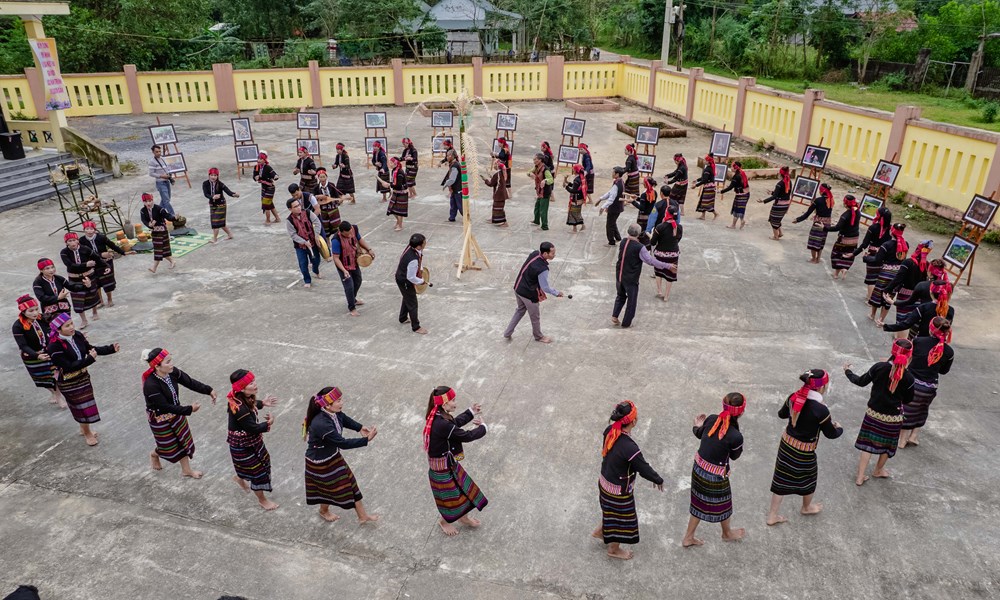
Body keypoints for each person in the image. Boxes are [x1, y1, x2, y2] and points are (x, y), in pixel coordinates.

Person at [766, 370, 843, 526]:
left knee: (781, 478)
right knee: (809, 478)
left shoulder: (793, 397)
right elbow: (831, 434)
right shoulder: (821, 410)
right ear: (822, 387)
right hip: (805, 451)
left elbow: (781, 414)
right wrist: (839, 428)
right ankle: (806, 507)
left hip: (786, 446)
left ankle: (772, 516)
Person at [592, 400, 663, 560]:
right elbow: (643, 467)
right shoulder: (629, 447)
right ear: (633, 421)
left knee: (610, 511)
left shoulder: (610, 431)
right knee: (620, 520)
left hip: (604, 482)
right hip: (618, 491)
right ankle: (613, 550)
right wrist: (657, 479)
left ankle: (600, 531)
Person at [303, 386, 379, 523]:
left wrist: (359, 427)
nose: (341, 403)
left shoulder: (333, 413)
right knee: (328, 489)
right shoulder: (322, 424)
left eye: (341, 399)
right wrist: (366, 440)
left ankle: (363, 516)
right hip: (320, 463)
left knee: (350, 483)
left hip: (333, 456)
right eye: (338, 401)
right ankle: (323, 511)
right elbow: (342, 443)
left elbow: (343, 418)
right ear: (327, 405)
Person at [846, 338, 915, 485]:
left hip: (873, 414)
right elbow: (908, 400)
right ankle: (878, 470)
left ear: (892, 351)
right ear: (909, 357)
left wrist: (848, 371)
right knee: (888, 446)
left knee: (867, 444)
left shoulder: (879, 367)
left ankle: (860, 476)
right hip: (893, 418)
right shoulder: (909, 378)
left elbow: (860, 381)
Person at [682, 392, 747, 547]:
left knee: (698, 502)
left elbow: (699, 433)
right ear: (741, 412)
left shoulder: (711, 419)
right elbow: (735, 456)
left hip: (698, 468)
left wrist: (697, 425)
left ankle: (688, 537)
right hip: (715, 475)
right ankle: (727, 533)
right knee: (724, 504)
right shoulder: (736, 436)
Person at [46, 313, 119, 446]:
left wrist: (110, 349)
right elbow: (68, 366)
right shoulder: (54, 346)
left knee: (85, 405)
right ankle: (87, 433)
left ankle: (83, 428)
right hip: (68, 382)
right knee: (81, 407)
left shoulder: (77, 335)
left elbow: (90, 349)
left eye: (72, 323)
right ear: (58, 330)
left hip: (83, 377)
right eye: (67, 326)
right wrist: (89, 360)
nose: (71, 327)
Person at [142, 348, 217, 479]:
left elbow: (189, 382)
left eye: (171, 360)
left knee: (182, 442)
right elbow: (164, 406)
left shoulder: (172, 372)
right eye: (167, 362)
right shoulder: (151, 385)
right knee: (168, 447)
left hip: (176, 412)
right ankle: (155, 454)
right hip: (160, 417)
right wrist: (189, 409)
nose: (171, 364)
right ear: (157, 366)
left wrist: (208, 390)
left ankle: (186, 470)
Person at [423, 386, 488, 536]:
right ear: (444, 403)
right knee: (451, 499)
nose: (455, 403)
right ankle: (444, 521)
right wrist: (483, 428)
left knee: (461, 492)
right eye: (452, 400)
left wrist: (471, 412)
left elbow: (454, 423)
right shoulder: (441, 423)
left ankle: (463, 518)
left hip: (447, 464)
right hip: (442, 470)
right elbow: (465, 436)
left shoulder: (439, 415)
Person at [226, 369, 279, 510]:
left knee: (255, 464)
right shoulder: (239, 408)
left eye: (253, 381)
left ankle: (239, 478)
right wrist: (268, 423)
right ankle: (262, 500)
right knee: (258, 472)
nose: (255, 385)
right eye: (250, 383)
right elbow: (252, 428)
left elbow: (252, 403)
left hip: (251, 441)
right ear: (241, 388)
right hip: (243, 445)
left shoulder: (242, 397)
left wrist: (263, 403)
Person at [898, 317, 954, 448]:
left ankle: (902, 440)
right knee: (922, 409)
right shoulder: (949, 351)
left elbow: (908, 358)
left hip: (912, 383)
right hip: (929, 387)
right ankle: (913, 436)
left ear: (931, 329)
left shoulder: (918, 341)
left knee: (907, 409)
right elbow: (944, 371)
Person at [612, 224, 674, 328]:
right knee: (632, 301)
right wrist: (667, 266)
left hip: (620, 275)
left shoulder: (623, 242)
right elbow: (650, 261)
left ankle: (615, 315)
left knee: (620, 295)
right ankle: (626, 323)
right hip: (631, 277)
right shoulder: (639, 247)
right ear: (638, 233)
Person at [503, 242, 563, 343]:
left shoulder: (534, 254)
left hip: (518, 288)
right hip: (528, 294)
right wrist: (556, 293)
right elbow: (545, 287)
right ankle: (538, 336)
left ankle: (507, 333)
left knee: (520, 310)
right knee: (535, 317)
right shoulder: (543, 269)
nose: (554, 255)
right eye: (552, 253)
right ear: (545, 254)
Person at [12, 294, 63, 407]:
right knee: (42, 378)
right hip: (32, 356)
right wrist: (36, 355)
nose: (35, 313)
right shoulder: (17, 326)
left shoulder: (43, 318)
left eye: (36, 309)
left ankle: (58, 396)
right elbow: (23, 345)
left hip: (48, 351)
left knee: (55, 375)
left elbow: (59, 322)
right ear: (23, 312)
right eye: (31, 311)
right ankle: (53, 392)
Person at [883, 240, 932, 333]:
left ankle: (900, 338)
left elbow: (898, 278)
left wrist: (887, 289)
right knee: (912, 320)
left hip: (904, 295)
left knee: (902, 320)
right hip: (918, 297)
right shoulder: (927, 265)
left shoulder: (907, 262)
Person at [864, 223, 908, 326]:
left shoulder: (886, 245)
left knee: (878, 293)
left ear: (892, 232)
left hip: (885, 273)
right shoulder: (905, 244)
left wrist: (866, 258)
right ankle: (881, 320)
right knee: (889, 296)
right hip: (897, 275)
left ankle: (872, 315)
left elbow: (877, 260)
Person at [60, 232, 105, 328]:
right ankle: (84, 320)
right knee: (77, 298)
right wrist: (85, 264)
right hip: (74, 277)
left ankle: (95, 312)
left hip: (88, 275)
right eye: (69, 241)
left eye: (74, 240)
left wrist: (106, 266)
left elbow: (97, 258)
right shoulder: (64, 252)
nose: (72, 243)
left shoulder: (85, 249)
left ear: (77, 241)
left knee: (92, 294)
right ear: (66, 242)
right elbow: (70, 265)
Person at [883, 279, 955, 338]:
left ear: (931, 292)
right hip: (939, 344)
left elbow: (907, 324)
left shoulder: (924, 308)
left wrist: (886, 326)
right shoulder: (951, 310)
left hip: (922, 340)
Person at [331, 221, 375, 316]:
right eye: (348, 234)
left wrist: (369, 249)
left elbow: (359, 239)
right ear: (341, 232)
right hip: (343, 265)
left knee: (358, 281)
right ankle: (352, 308)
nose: (350, 235)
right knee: (349, 286)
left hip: (354, 261)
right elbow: (336, 258)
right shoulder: (336, 240)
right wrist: (344, 270)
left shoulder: (354, 229)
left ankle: (352, 298)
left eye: (351, 232)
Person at [80, 220, 128, 307]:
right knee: (96, 283)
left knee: (107, 281)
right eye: (87, 229)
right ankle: (100, 301)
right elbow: (85, 253)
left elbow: (112, 245)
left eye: (91, 229)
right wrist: (101, 254)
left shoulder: (101, 237)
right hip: (93, 264)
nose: (89, 231)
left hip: (105, 263)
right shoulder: (81, 241)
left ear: (94, 229)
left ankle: (109, 299)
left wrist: (123, 252)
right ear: (84, 230)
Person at [286, 197, 326, 288]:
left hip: (312, 242)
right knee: (303, 264)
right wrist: (303, 242)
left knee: (316, 260)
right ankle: (307, 280)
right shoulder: (289, 221)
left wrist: (316, 235)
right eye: (295, 207)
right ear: (290, 209)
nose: (298, 207)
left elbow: (317, 222)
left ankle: (315, 270)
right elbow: (293, 235)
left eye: (299, 205)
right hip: (300, 246)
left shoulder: (308, 213)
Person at [793, 182, 834, 263]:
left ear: (821, 191)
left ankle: (813, 259)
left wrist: (798, 220)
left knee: (814, 241)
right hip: (827, 223)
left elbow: (808, 213)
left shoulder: (818, 200)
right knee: (821, 241)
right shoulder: (831, 200)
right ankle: (818, 258)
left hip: (818, 223)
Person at [649, 204, 682, 302]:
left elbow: (653, 242)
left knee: (658, 272)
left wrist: (650, 236)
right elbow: (678, 239)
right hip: (673, 254)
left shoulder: (660, 227)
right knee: (670, 274)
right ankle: (666, 295)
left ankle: (659, 291)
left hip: (660, 253)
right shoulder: (679, 227)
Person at [32, 257, 80, 326]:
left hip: (64, 308)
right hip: (50, 312)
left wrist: (85, 285)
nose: (51, 270)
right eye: (47, 268)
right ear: (41, 270)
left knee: (67, 326)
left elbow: (72, 287)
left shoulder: (59, 278)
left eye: (52, 267)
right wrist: (58, 298)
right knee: (55, 329)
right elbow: (41, 297)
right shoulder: (38, 282)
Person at [396, 233, 428, 334]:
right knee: (412, 303)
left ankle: (402, 318)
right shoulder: (412, 260)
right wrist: (421, 281)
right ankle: (416, 327)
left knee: (407, 297)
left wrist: (421, 269)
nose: (425, 243)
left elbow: (420, 259)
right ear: (419, 246)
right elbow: (411, 277)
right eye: (424, 242)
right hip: (404, 280)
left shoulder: (412, 247)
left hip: (402, 276)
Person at [824, 195, 861, 280]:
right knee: (847, 254)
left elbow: (837, 228)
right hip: (854, 238)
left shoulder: (845, 215)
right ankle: (838, 272)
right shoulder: (858, 212)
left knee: (836, 254)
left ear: (845, 204)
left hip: (844, 238)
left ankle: (841, 270)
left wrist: (825, 228)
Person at [859, 206, 893, 297]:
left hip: (872, 254)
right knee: (879, 277)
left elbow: (864, 244)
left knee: (871, 277)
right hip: (885, 255)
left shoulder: (873, 227)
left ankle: (869, 298)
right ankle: (873, 296)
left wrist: (854, 253)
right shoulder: (891, 229)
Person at [140, 192, 177, 273]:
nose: (148, 203)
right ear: (143, 202)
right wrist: (149, 224)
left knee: (158, 250)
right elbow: (144, 220)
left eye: (150, 201)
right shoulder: (143, 211)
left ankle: (154, 268)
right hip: (154, 232)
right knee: (163, 250)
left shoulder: (159, 209)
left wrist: (174, 218)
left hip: (162, 231)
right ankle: (172, 261)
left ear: (152, 200)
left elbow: (167, 216)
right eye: (146, 201)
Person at [203, 167, 239, 243]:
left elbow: (228, 191)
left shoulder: (220, 184)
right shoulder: (205, 184)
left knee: (216, 222)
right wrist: (212, 197)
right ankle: (230, 234)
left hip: (221, 205)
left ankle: (214, 239)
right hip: (212, 205)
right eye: (212, 175)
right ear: (209, 175)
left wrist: (234, 194)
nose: (213, 177)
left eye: (215, 175)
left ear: (217, 176)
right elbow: (206, 194)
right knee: (220, 223)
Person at [758, 166, 792, 240]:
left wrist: (763, 201)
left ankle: (776, 236)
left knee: (773, 220)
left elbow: (774, 197)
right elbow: (783, 194)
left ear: (780, 174)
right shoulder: (789, 182)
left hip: (779, 205)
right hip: (786, 204)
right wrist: (772, 192)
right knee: (777, 219)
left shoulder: (779, 184)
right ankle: (780, 233)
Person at [597, 167, 625, 244]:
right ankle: (618, 237)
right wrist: (601, 198)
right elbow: (610, 192)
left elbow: (611, 198)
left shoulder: (617, 184)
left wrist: (603, 207)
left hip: (614, 207)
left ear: (617, 174)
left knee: (610, 225)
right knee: (613, 222)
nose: (612, 174)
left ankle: (611, 241)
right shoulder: (620, 182)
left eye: (613, 172)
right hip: (618, 207)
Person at [382, 156, 409, 231]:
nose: (389, 164)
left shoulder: (400, 172)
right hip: (396, 192)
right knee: (392, 209)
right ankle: (398, 222)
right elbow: (394, 183)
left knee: (399, 211)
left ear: (395, 164)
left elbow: (399, 186)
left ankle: (400, 225)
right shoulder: (394, 171)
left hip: (402, 193)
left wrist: (389, 185)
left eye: (391, 163)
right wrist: (390, 186)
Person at [720, 161, 749, 229]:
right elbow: (741, 184)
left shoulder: (736, 176)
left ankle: (736, 224)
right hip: (746, 194)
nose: (731, 168)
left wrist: (721, 191)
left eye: (731, 166)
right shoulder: (742, 173)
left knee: (737, 209)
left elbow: (730, 187)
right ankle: (740, 221)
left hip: (741, 195)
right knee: (740, 209)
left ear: (735, 168)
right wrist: (733, 186)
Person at [253, 151, 280, 225]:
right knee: (269, 203)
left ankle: (268, 220)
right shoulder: (256, 167)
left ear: (264, 160)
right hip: (263, 188)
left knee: (266, 204)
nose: (259, 160)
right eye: (258, 158)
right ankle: (277, 218)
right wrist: (255, 178)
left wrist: (275, 177)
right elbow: (254, 176)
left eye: (261, 159)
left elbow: (274, 174)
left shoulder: (268, 167)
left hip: (270, 188)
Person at [529, 153, 554, 230]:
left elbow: (551, 180)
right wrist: (530, 174)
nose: (534, 161)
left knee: (543, 210)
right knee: (537, 207)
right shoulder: (536, 167)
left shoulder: (545, 169)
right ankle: (536, 221)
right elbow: (529, 172)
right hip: (539, 191)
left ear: (540, 160)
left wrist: (545, 180)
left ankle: (544, 226)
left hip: (545, 192)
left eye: (535, 159)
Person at [315, 167, 344, 236]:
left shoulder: (331, 185)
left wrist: (339, 200)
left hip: (333, 209)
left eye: (323, 177)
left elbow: (337, 196)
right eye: (320, 177)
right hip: (323, 210)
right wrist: (319, 197)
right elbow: (313, 197)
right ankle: (328, 241)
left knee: (336, 226)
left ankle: (338, 239)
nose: (322, 179)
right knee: (325, 228)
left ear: (326, 177)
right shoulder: (316, 188)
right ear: (318, 178)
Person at [148, 144, 175, 216]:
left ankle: (157, 214)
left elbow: (166, 168)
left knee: (166, 199)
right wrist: (161, 176)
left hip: (166, 181)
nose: (159, 153)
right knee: (166, 200)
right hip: (160, 183)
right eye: (156, 152)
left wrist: (169, 175)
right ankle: (172, 215)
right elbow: (151, 173)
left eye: (159, 151)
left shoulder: (162, 159)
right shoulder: (152, 161)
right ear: (153, 152)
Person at [482, 158, 510, 227]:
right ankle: (493, 219)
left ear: (498, 166)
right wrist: (491, 177)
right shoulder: (501, 173)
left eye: (495, 164)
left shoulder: (497, 174)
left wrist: (485, 180)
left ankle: (505, 223)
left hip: (499, 195)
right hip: (501, 194)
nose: (494, 165)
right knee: (496, 208)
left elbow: (491, 184)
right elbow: (497, 181)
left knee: (499, 209)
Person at [692, 153, 719, 220]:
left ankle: (715, 213)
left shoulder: (708, 169)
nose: (704, 161)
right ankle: (703, 216)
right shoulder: (710, 168)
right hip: (709, 187)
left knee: (706, 202)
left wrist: (696, 185)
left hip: (709, 188)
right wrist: (697, 180)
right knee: (703, 200)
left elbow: (704, 180)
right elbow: (704, 178)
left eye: (705, 160)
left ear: (708, 162)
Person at [565, 164, 587, 233]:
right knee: (577, 213)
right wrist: (567, 182)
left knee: (573, 213)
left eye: (573, 169)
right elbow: (576, 187)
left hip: (576, 199)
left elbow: (573, 190)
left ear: (576, 170)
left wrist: (566, 187)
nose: (573, 170)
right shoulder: (582, 178)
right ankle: (583, 225)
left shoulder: (577, 180)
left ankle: (574, 229)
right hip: (581, 198)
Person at [442, 152, 463, 222]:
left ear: (452, 156)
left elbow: (452, 179)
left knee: (460, 206)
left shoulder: (455, 166)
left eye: (448, 156)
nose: (447, 157)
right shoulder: (453, 164)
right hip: (454, 189)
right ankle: (452, 217)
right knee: (453, 204)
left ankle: (467, 217)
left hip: (458, 188)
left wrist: (446, 184)